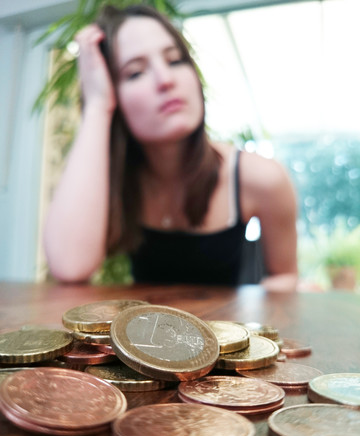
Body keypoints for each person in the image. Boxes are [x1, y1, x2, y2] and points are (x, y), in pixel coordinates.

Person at [43, 4, 298, 291]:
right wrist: (97, 106)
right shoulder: (112, 179)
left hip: (227, 332)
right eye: (135, 72)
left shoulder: (261, 178)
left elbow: (285, 277)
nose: (166, 80)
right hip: (142, 333)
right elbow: (70, 267)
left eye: (175, 60)